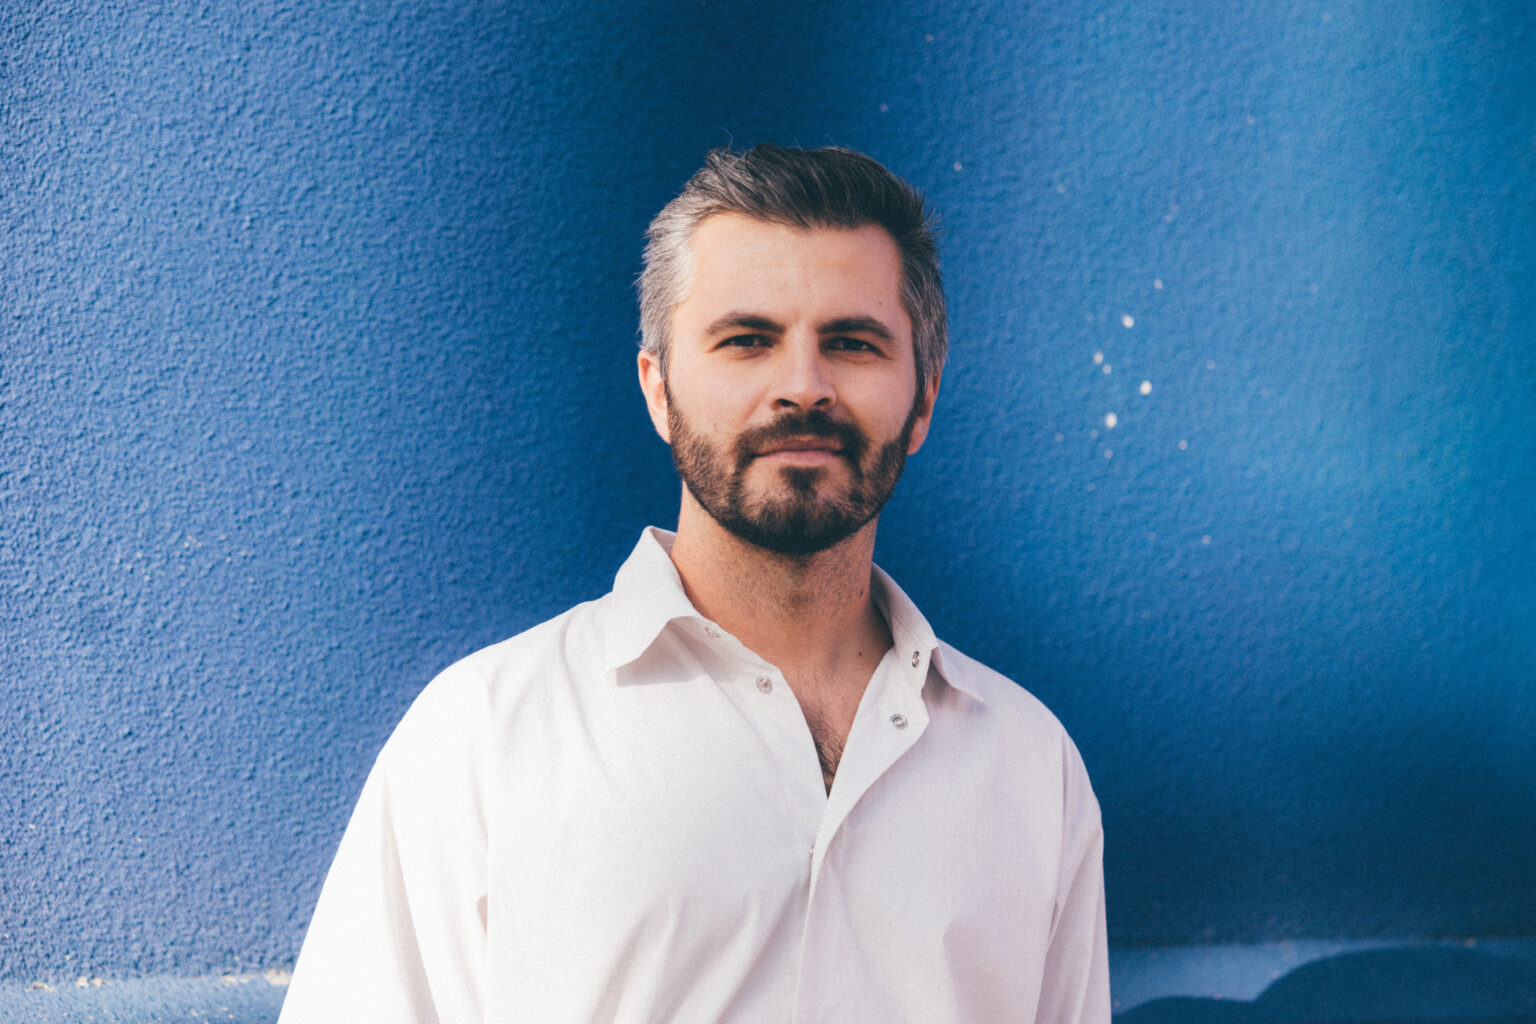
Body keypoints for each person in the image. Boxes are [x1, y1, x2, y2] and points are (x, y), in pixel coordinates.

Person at [279, 144, 1110, 1023]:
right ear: (659, 390)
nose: (803, 387)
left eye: (852, 343)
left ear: (924, 401)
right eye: (747, 341)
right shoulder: (484, 735)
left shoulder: (1029, 764)